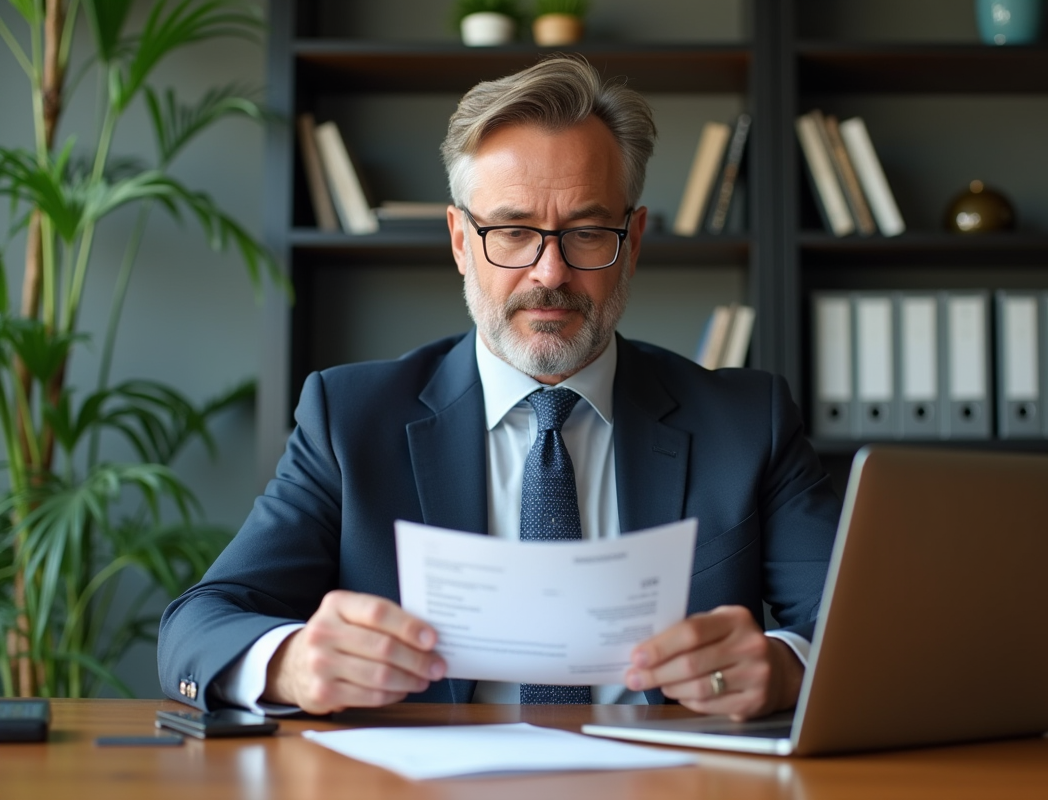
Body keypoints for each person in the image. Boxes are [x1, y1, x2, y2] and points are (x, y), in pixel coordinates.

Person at [158, 54, 840, 721]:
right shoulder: (349, 419)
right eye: (513, 232)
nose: (549, 272)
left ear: (632, 242)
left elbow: (856, 629)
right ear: (460, 240)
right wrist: (293, 663)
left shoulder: (750, 422)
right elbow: (197, 625)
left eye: (587, 232)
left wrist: (783, 669)